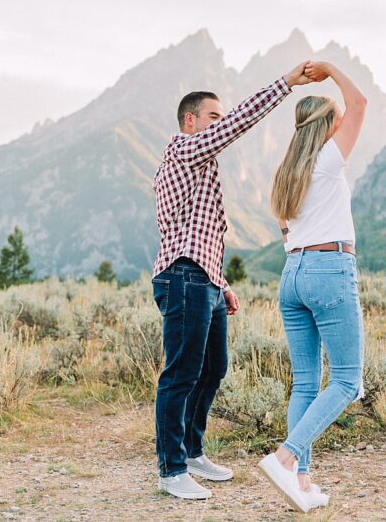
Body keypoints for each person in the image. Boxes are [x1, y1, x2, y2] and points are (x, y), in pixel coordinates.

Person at [151, 62, 315, 500]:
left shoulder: (201, 163)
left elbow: (198, 230)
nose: (220, 125)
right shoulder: (184, 150)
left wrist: (221, 282)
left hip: (202, 277)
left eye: (219, 119)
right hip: (183, 277)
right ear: (191, 121)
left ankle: (191, 451)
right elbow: (242, 121)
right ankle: (171, 470)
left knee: (213, 367)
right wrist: (287, 83)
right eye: (212, 118)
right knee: (180, 373)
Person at [258, 60, 367, 512]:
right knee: (346, 380)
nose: (344, 123)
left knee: (305, 382)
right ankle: (285, 459)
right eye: (336, 120)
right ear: (325, 125)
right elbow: (359, 101)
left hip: (293, 275)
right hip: (328, 269)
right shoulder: (327, 160)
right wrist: (330, 69)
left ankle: (301, 481)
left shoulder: (288, 171)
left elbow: (285, 227)